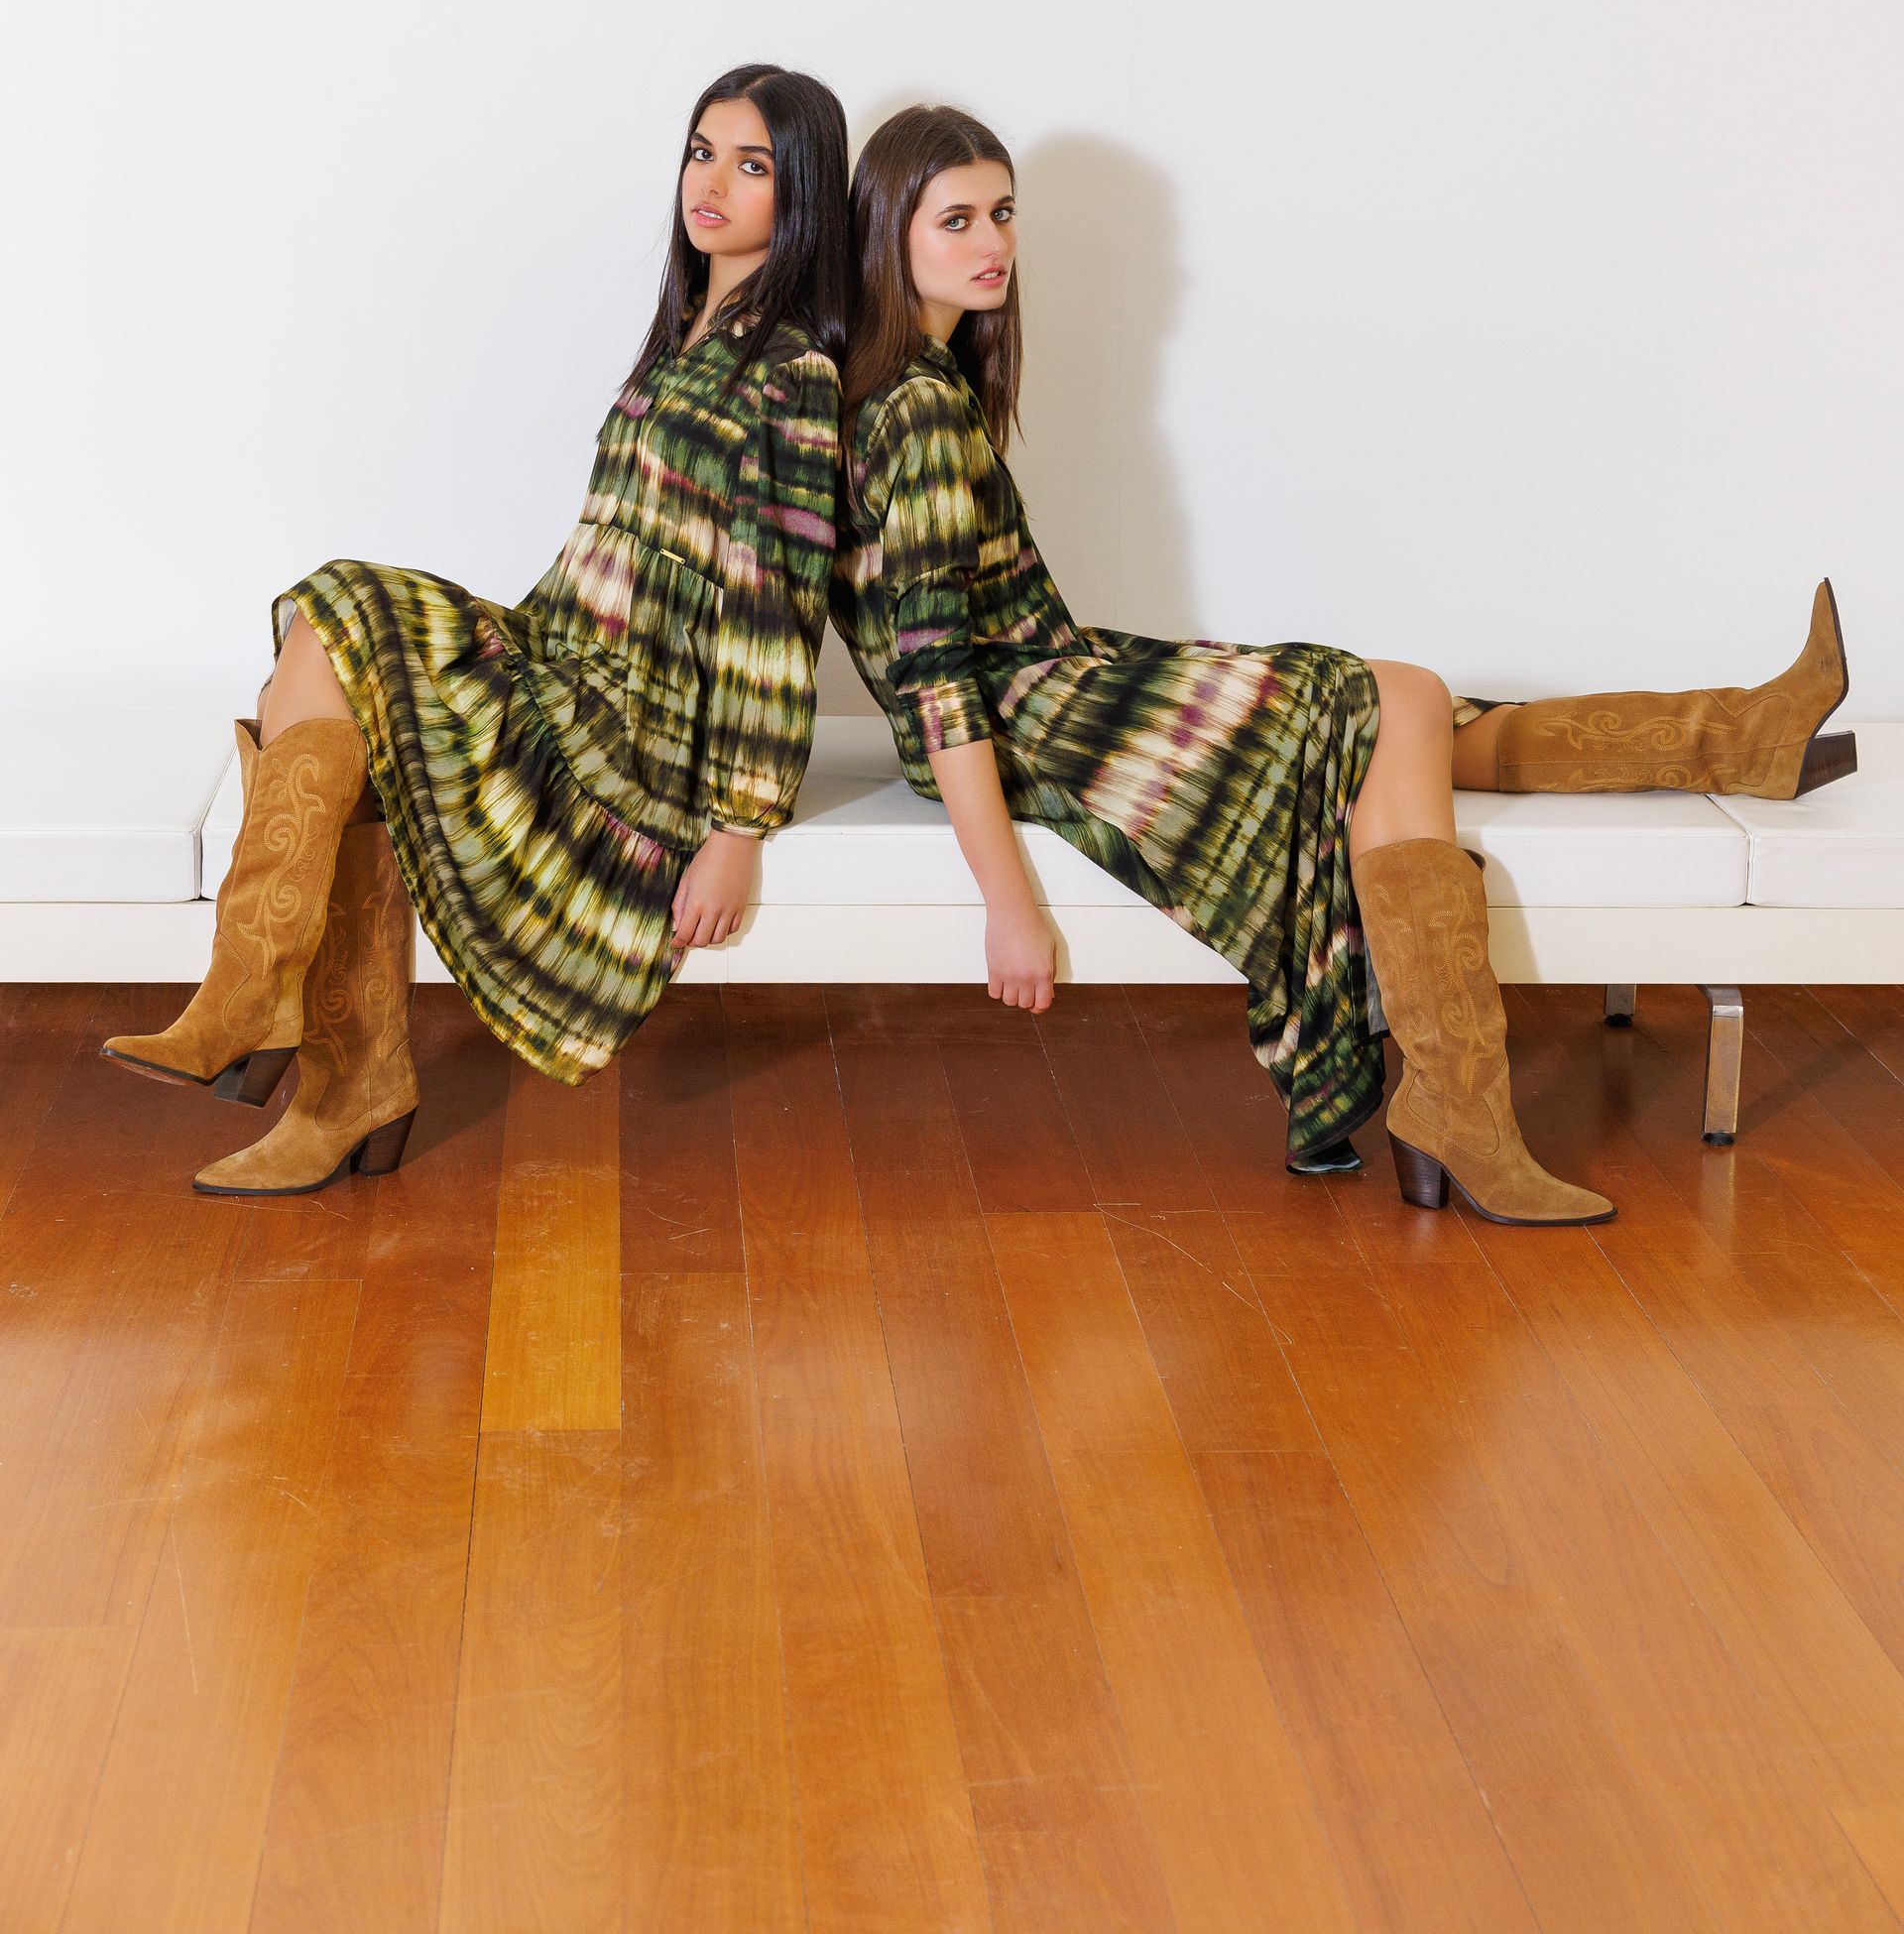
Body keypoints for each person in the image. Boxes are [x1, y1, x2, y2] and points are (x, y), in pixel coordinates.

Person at [830, 105, 1855, 1228]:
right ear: (888, 229)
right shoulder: (916, 409)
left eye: (1004, 212)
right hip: (1032, 722)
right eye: (958, 220)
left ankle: (1741, 741)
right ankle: (1461, 1105)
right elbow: (936, 681)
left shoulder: (923, 380)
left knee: (1398, 713)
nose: (994, 243)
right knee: (1396, 698)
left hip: (1053, 683)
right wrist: (1007, 904)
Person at [104, 64, 849, 1197]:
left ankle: (275, 1019)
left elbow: (775, 613)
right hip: (565, 648)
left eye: (753, 165)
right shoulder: (686, 335)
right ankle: (302, 1040)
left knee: (346, 612)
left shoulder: (792, 373)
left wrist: (741, 827)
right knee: (330, 628)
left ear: (802, 194)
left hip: (630, 721)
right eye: (702, 152)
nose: (712, 183)